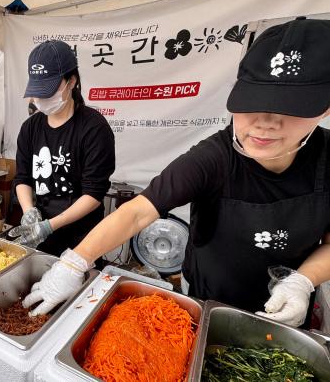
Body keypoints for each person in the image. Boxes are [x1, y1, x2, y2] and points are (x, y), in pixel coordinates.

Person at [23, 18, 330, 326]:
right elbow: (138, 213)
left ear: (324, 108)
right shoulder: (214, 157)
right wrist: (74, 263)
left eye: (290, 108)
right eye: (252, 103)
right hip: (206, 302)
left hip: (287, 312)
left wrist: (302, 281)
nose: (266, 122)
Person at [11, 40, 115, 257]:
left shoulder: (94, 128)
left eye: (48, 91)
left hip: (82, 236)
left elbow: (94, 193)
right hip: (41, 232)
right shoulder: (30, 128)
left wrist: (50, 226)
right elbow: (22, 178)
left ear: (72, 81)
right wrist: (29, 210)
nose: (40, 99)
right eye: (38, 92)